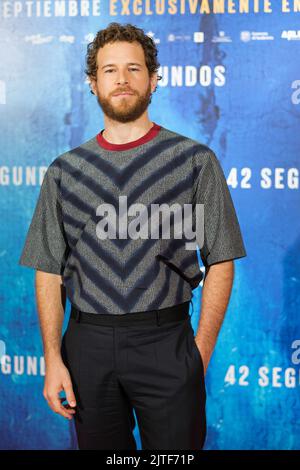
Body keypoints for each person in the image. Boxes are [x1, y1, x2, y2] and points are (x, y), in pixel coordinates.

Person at [19, 22, 247, 450]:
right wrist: (53, 358)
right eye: (109, 70)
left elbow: (222, 259)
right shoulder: (64, 172)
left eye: (133, 68)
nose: (121, 79)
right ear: (92, 83)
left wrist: (198, 357)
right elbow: (47, 270)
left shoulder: (194, 162)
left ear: (153, 78)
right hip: (87, 346)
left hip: (166, 341)